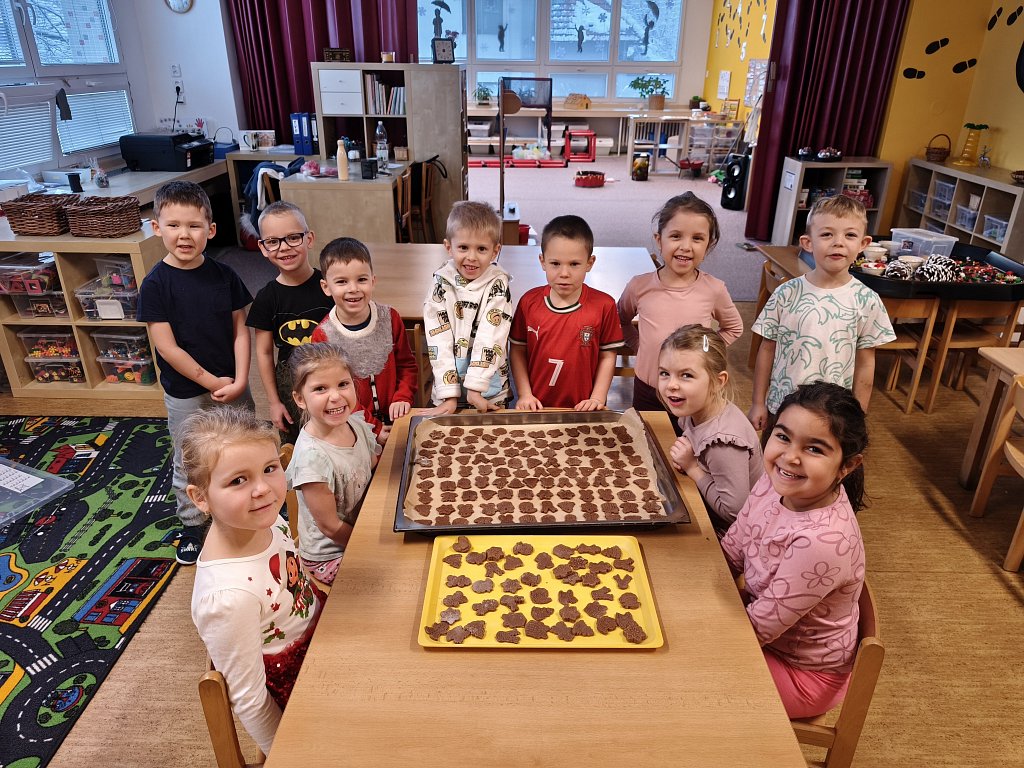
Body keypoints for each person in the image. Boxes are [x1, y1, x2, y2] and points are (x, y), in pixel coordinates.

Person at [721, 382, 868, 719]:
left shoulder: (820, 542)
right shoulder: (776, 482)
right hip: (763, 628)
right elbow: (730, 553)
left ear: (847, 465)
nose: (790, 457)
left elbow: (755, 632)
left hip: (802, 673)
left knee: (682, 676)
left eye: (814, 449)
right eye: (783, 437)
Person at [184, 406, 322, 756]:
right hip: (297, 688)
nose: (263, 489)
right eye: (238, 480)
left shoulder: (268, 520)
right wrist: (288, 756)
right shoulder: (227, 598)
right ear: (200, 498)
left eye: (270, 469)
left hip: (320, 635)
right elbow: (250, 698)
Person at [137, 180, 253, 566]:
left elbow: (241, 330)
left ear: (211, 230)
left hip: (233, 383)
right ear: (157, 228)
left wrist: (240, 379)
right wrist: (211, 381)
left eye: (194, 225)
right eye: (173, 225)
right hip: (186, 390)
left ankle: (247, 503)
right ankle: (192, 523)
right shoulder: (155, 285)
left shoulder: (225, 275)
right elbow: (167, 348)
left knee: (242, 445)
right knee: (188, 456)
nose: (184, 234)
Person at [748, 195, 896, 435]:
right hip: (781, 407)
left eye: (850, 235)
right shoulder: (786, 292)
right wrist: (758, 403)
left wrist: (858, 417)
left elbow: (866, 364)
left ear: (864, 244)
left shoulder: (867, 300)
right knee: (773, 456)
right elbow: (766, 349)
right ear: (808, 243)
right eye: (827, 234)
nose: (838, 243)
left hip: (832, 414)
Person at [617, 192, 743, 425]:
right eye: (676, 236)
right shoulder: (639, 286)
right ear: (659, 240)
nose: (686, 247)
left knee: (688, 443)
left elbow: (733, 328)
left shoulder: (713, 289)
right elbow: (621, 320)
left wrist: (705, 351)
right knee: (646, 438)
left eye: (697, 238)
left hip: (692, 392)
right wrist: (638, 345)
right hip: (648, 388)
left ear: (709, 244)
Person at [286, 342, 380, 586]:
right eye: (320, 388)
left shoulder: (354, 424)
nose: (336, 396)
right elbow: (330, 527)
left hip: (363, 523)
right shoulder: (312, 459)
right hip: (330, 555)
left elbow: (371, 465)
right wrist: (372, 544)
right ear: (300, 399)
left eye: (343, 384)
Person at [510, 214, 623, 411]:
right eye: (555, 263)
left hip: (584, 408)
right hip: (536, 407)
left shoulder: (604, 305)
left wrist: (597, 398)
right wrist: (525, 394)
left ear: (590, 263)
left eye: (574, 264)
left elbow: (608, 355)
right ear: (542, 261)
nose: (564, 273)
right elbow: (518, 350)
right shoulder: (528, 302)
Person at [310, 237, 417, 442]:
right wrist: (373, 428)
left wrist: (403, 396)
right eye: (342, 282)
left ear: (373, 281)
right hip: (353, 427)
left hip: (399, 417)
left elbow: (406, 365)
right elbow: (334, 394)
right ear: (326, 287)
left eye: (361, 279)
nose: (353, 288)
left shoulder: (391, 318)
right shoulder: (322, 336)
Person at [657, 325, 762, 530]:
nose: (671, 385)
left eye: (686, 375)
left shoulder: (722, 443)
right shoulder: (695, 410)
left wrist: (693, 468)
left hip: (727, 534)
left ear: (718, 382)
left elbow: (734, 514)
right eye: (664, 373)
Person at [246, 201, 333, 445]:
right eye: (273, 241)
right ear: (263, 248)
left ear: (309, 239)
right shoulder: (266, 298)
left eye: (293, 238)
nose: (284, 247)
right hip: (291, 386)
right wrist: (274, 402)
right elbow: (264, 353)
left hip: (331, 377)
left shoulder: (329, 286)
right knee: (299, 444)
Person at [423, 201, 512, 414]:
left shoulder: (498, 285)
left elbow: (491, 337)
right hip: (448, 395)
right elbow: (438, 339)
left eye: (481, 249)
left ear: (495, 251)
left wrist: (475, 389)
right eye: (463, 247)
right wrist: (449, 395)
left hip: (488, 392)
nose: (471, 257)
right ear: (448, 247)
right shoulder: (440, 283)